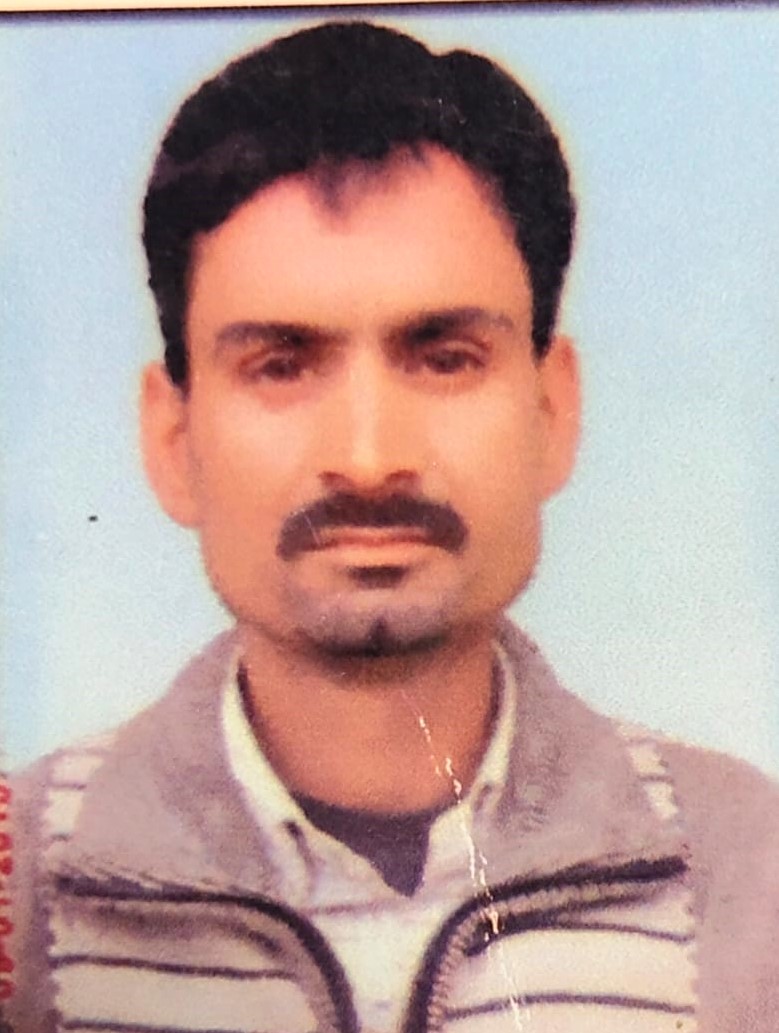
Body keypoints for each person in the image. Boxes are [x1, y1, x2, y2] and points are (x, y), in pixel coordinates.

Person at [5, 19, 779, 1033]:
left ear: (551, 412)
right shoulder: (19, 891)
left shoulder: (750, 877)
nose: (368, 458)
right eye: (281, 364)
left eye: (443, 357)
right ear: (173, 437)